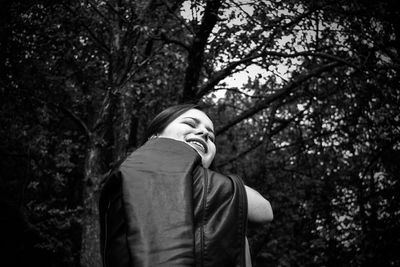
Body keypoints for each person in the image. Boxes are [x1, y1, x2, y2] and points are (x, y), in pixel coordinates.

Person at [99, 104, 273, 267]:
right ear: (155, 136)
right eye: (190, 123)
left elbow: (265, 211)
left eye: (211, 136)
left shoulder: (217, 201)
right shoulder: (144, 164)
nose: (204, 133)